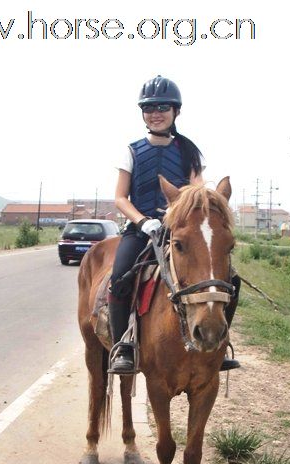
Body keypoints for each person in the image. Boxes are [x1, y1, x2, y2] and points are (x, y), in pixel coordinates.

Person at [109, 75, 240, 373]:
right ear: (143, 113)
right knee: (119, 277)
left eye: (163, 107)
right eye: (149, 107)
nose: (156, 113)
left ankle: (220, 343)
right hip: (140, 229)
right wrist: (143, 222)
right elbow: (119, 197)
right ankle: (123, 348)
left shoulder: (189, 151)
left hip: (180, 229)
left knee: (231, 279)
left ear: (175, 112)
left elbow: (197, 192)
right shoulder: (130, 151)